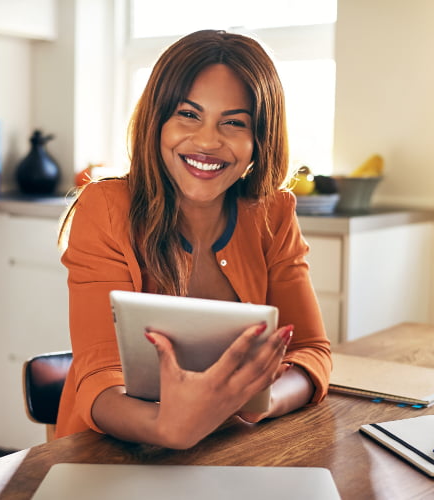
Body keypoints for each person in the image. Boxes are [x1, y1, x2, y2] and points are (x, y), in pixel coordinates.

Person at [56, 29, 331, 449]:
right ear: (156, 121)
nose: (207, 141)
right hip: (116, 452)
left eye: (234, 122)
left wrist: (262, 401)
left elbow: (312, 351)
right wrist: (169, 427)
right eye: (188, 114)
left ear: (260, 138)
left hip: (231, 446)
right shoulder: (107, 207)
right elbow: (99, 375)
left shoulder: (273, 212)